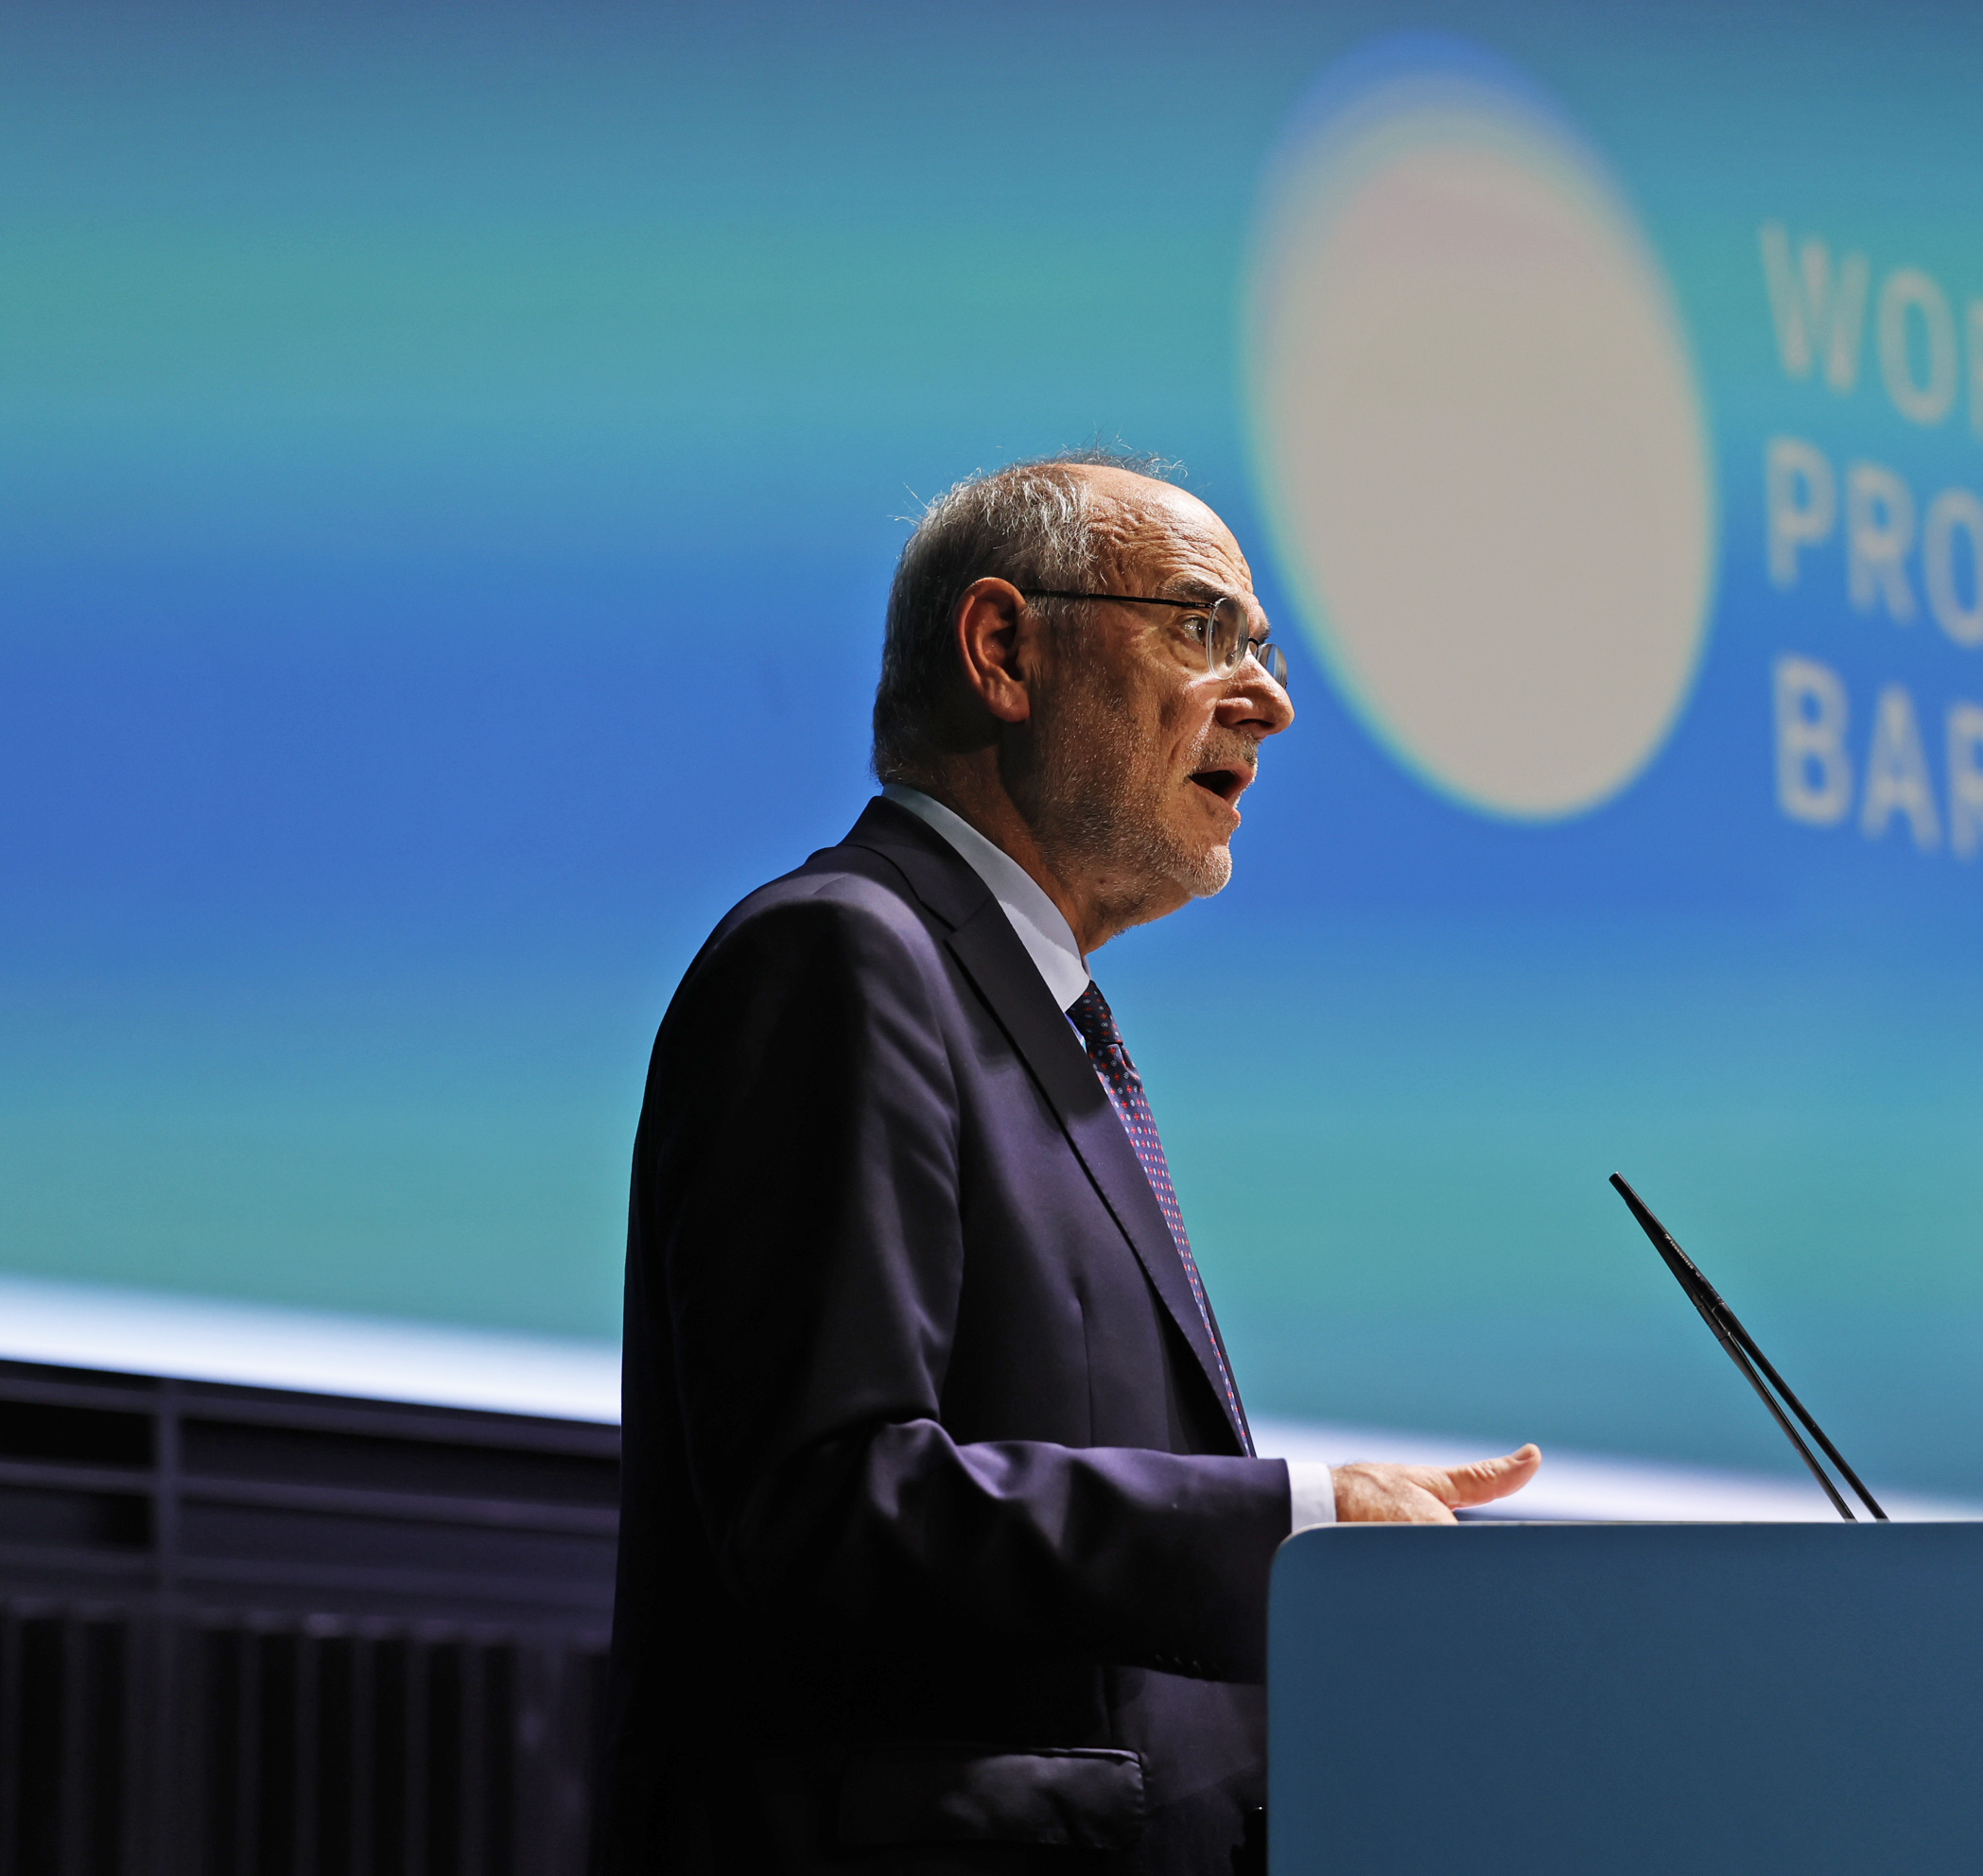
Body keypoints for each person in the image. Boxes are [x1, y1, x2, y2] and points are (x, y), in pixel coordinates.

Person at [600, 452, 1540, 1876]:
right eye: (1204, 630)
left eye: (1267, 653)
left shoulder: (1035, 1017)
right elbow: (828, 1508)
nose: (1273, 702)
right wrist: (1289, 1521)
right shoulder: (843, 958)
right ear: (1002, 651)